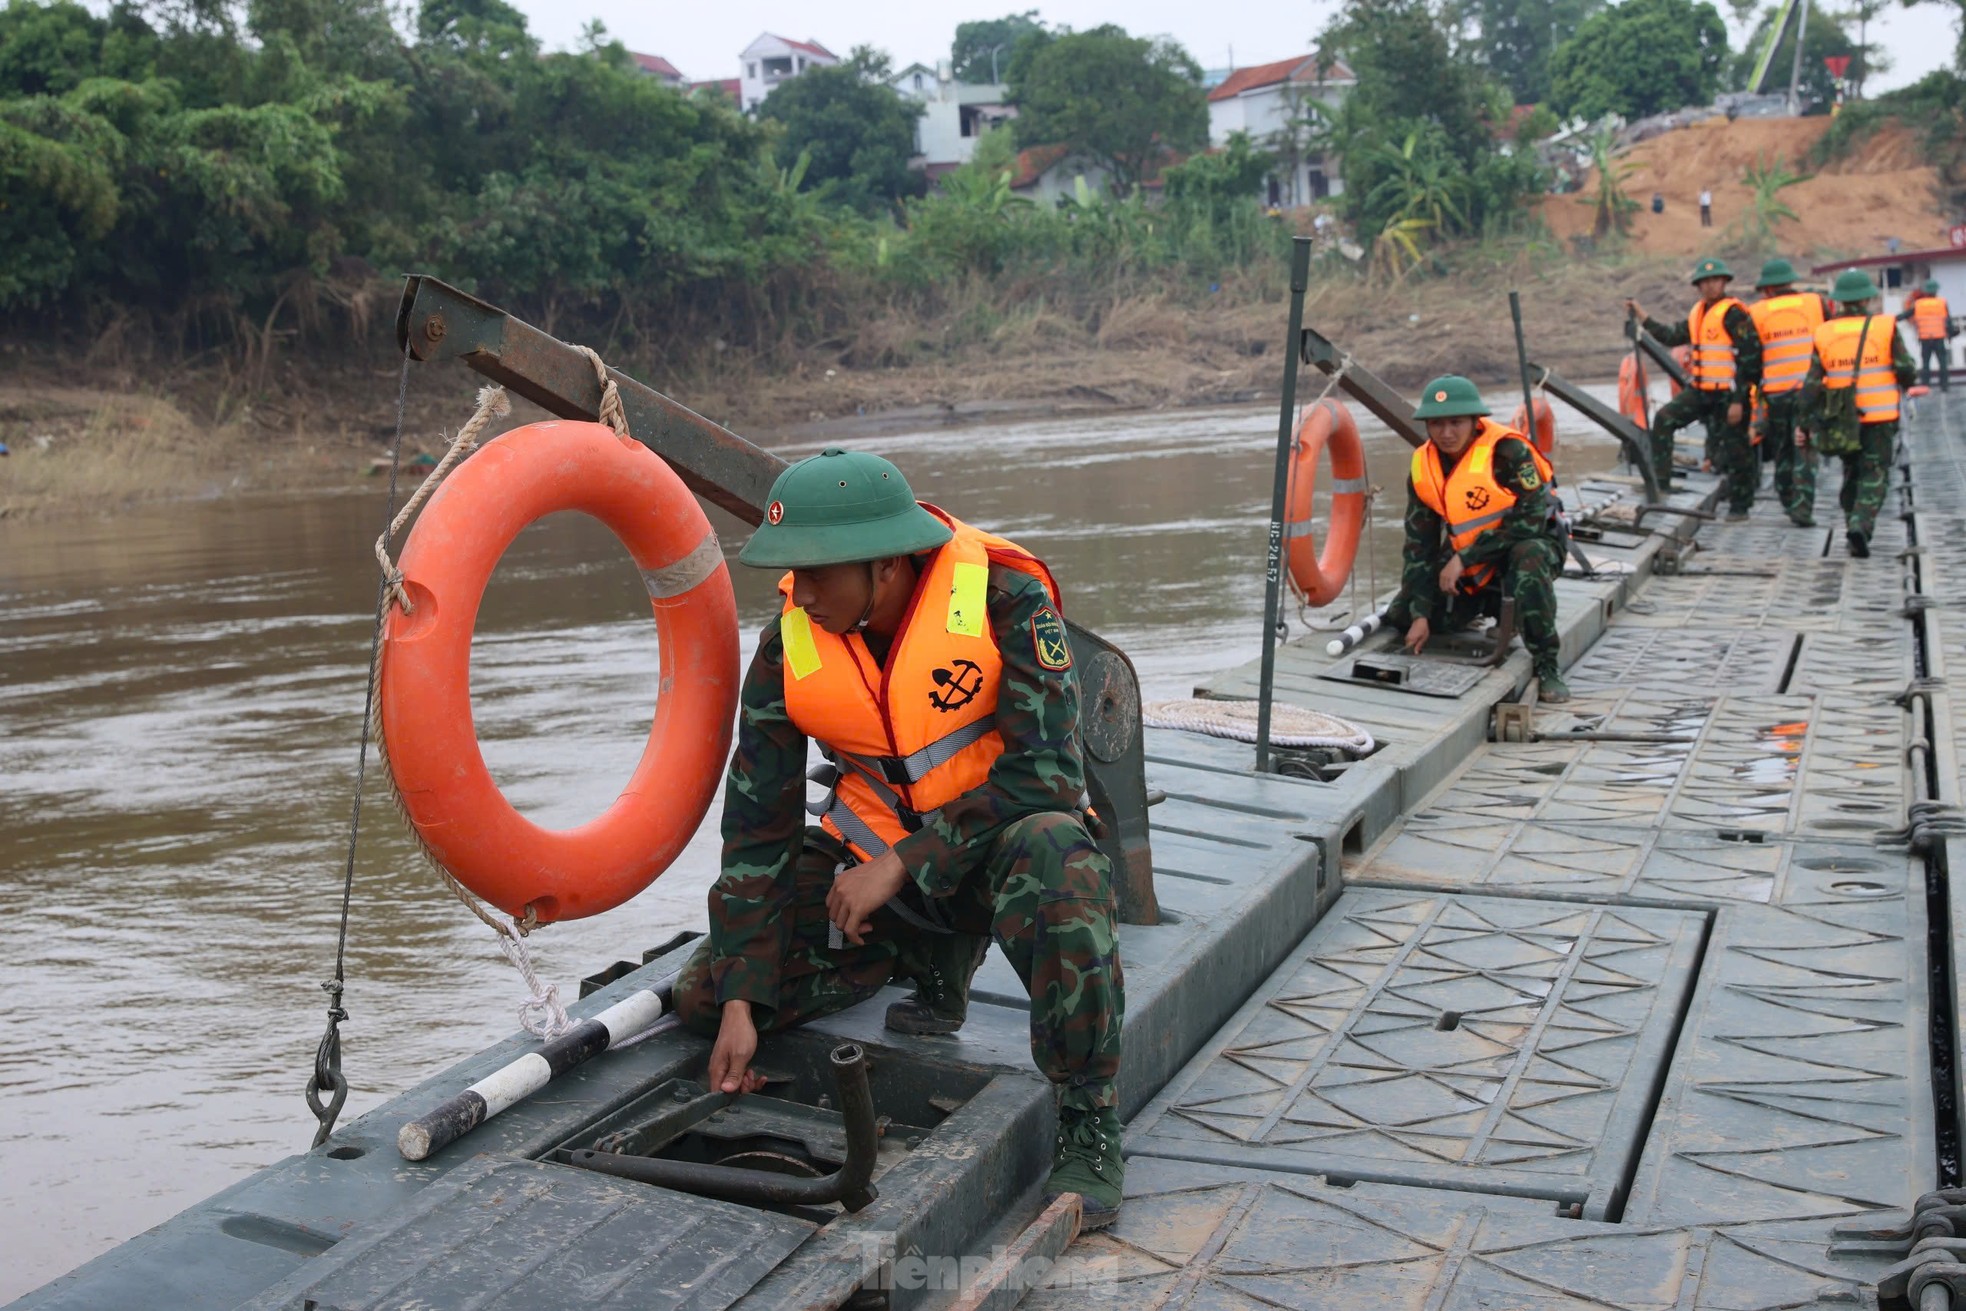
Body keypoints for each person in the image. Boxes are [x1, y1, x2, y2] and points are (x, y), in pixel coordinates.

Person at [670, 448, 1128, 1228]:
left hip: (997, 860)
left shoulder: (1005, 599)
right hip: (874, 877)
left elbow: (1050, 775)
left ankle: (1089, 1119)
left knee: (1061, 859)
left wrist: (905, 863)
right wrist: (747, 997)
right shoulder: (792, 640)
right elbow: (759, 824)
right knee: (705, 992)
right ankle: (925, 955)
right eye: (791, 572)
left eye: (817, 572)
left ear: (886, 565)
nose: (800, 591)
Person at [1389, 375, 1571, 704]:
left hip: (1528, 549)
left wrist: (1465, 558)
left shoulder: (1510, 452)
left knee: (1528, 557)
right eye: (1437, 424)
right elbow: (1419, 547)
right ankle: (1486, 610)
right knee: (1400, 614)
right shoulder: (1424, 467)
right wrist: (1419, 614)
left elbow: (1532, 521)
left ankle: (1547, 666)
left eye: (1456, 422)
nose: (1446, 433)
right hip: (1475, 566)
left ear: (1476, 421)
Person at [1624, 256, 1764, 516]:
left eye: (1715, 281)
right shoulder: (1698, 313)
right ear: (1699, 286)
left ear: (1724, 282)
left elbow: (1751, 358)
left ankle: (1740, 506)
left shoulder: (1734, 313)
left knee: (1736, 449)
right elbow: (1671, 336)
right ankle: (1661, 484)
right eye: (1705, 282)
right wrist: (1642, 315)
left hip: (1728, 393)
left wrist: (1739, 400)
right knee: (1664, 419)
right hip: (1702, 391)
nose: (1710, 286)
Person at [1801, 270, 1918, 559]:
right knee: (1874, 473)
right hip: (1880, 416)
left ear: (1839, 300)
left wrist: (1805, 423)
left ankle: (1852, 520)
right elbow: (1906, 370)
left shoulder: (1824, 332)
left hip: (1842, 420)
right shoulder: (1885, 327)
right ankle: (1860, 525)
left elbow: (1812, 383)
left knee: (1852, 473)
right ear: (1867, 298)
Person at [1747, 258, 1832, 527]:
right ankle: (1803, 508)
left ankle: (1786, 496)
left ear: (1767, 289)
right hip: (1811, 390)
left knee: (1784, 446)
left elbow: (1752, 357)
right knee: (1805, 447)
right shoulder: (1815, 303)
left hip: (1777, 393)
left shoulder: (1756, 312)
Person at [1897, 277, 1953, 392]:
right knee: (1942, 363)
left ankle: (1925, 385)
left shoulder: (1918, 304)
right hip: (1939, 338)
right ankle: (1944, 386)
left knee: (1926, 363)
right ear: (1936, 291)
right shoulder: (1942, 303)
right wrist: (1950, 335)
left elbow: (1906, 315)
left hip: (1925, 338)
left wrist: (1893, 319)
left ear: (1925, 292)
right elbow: (1948, 321)